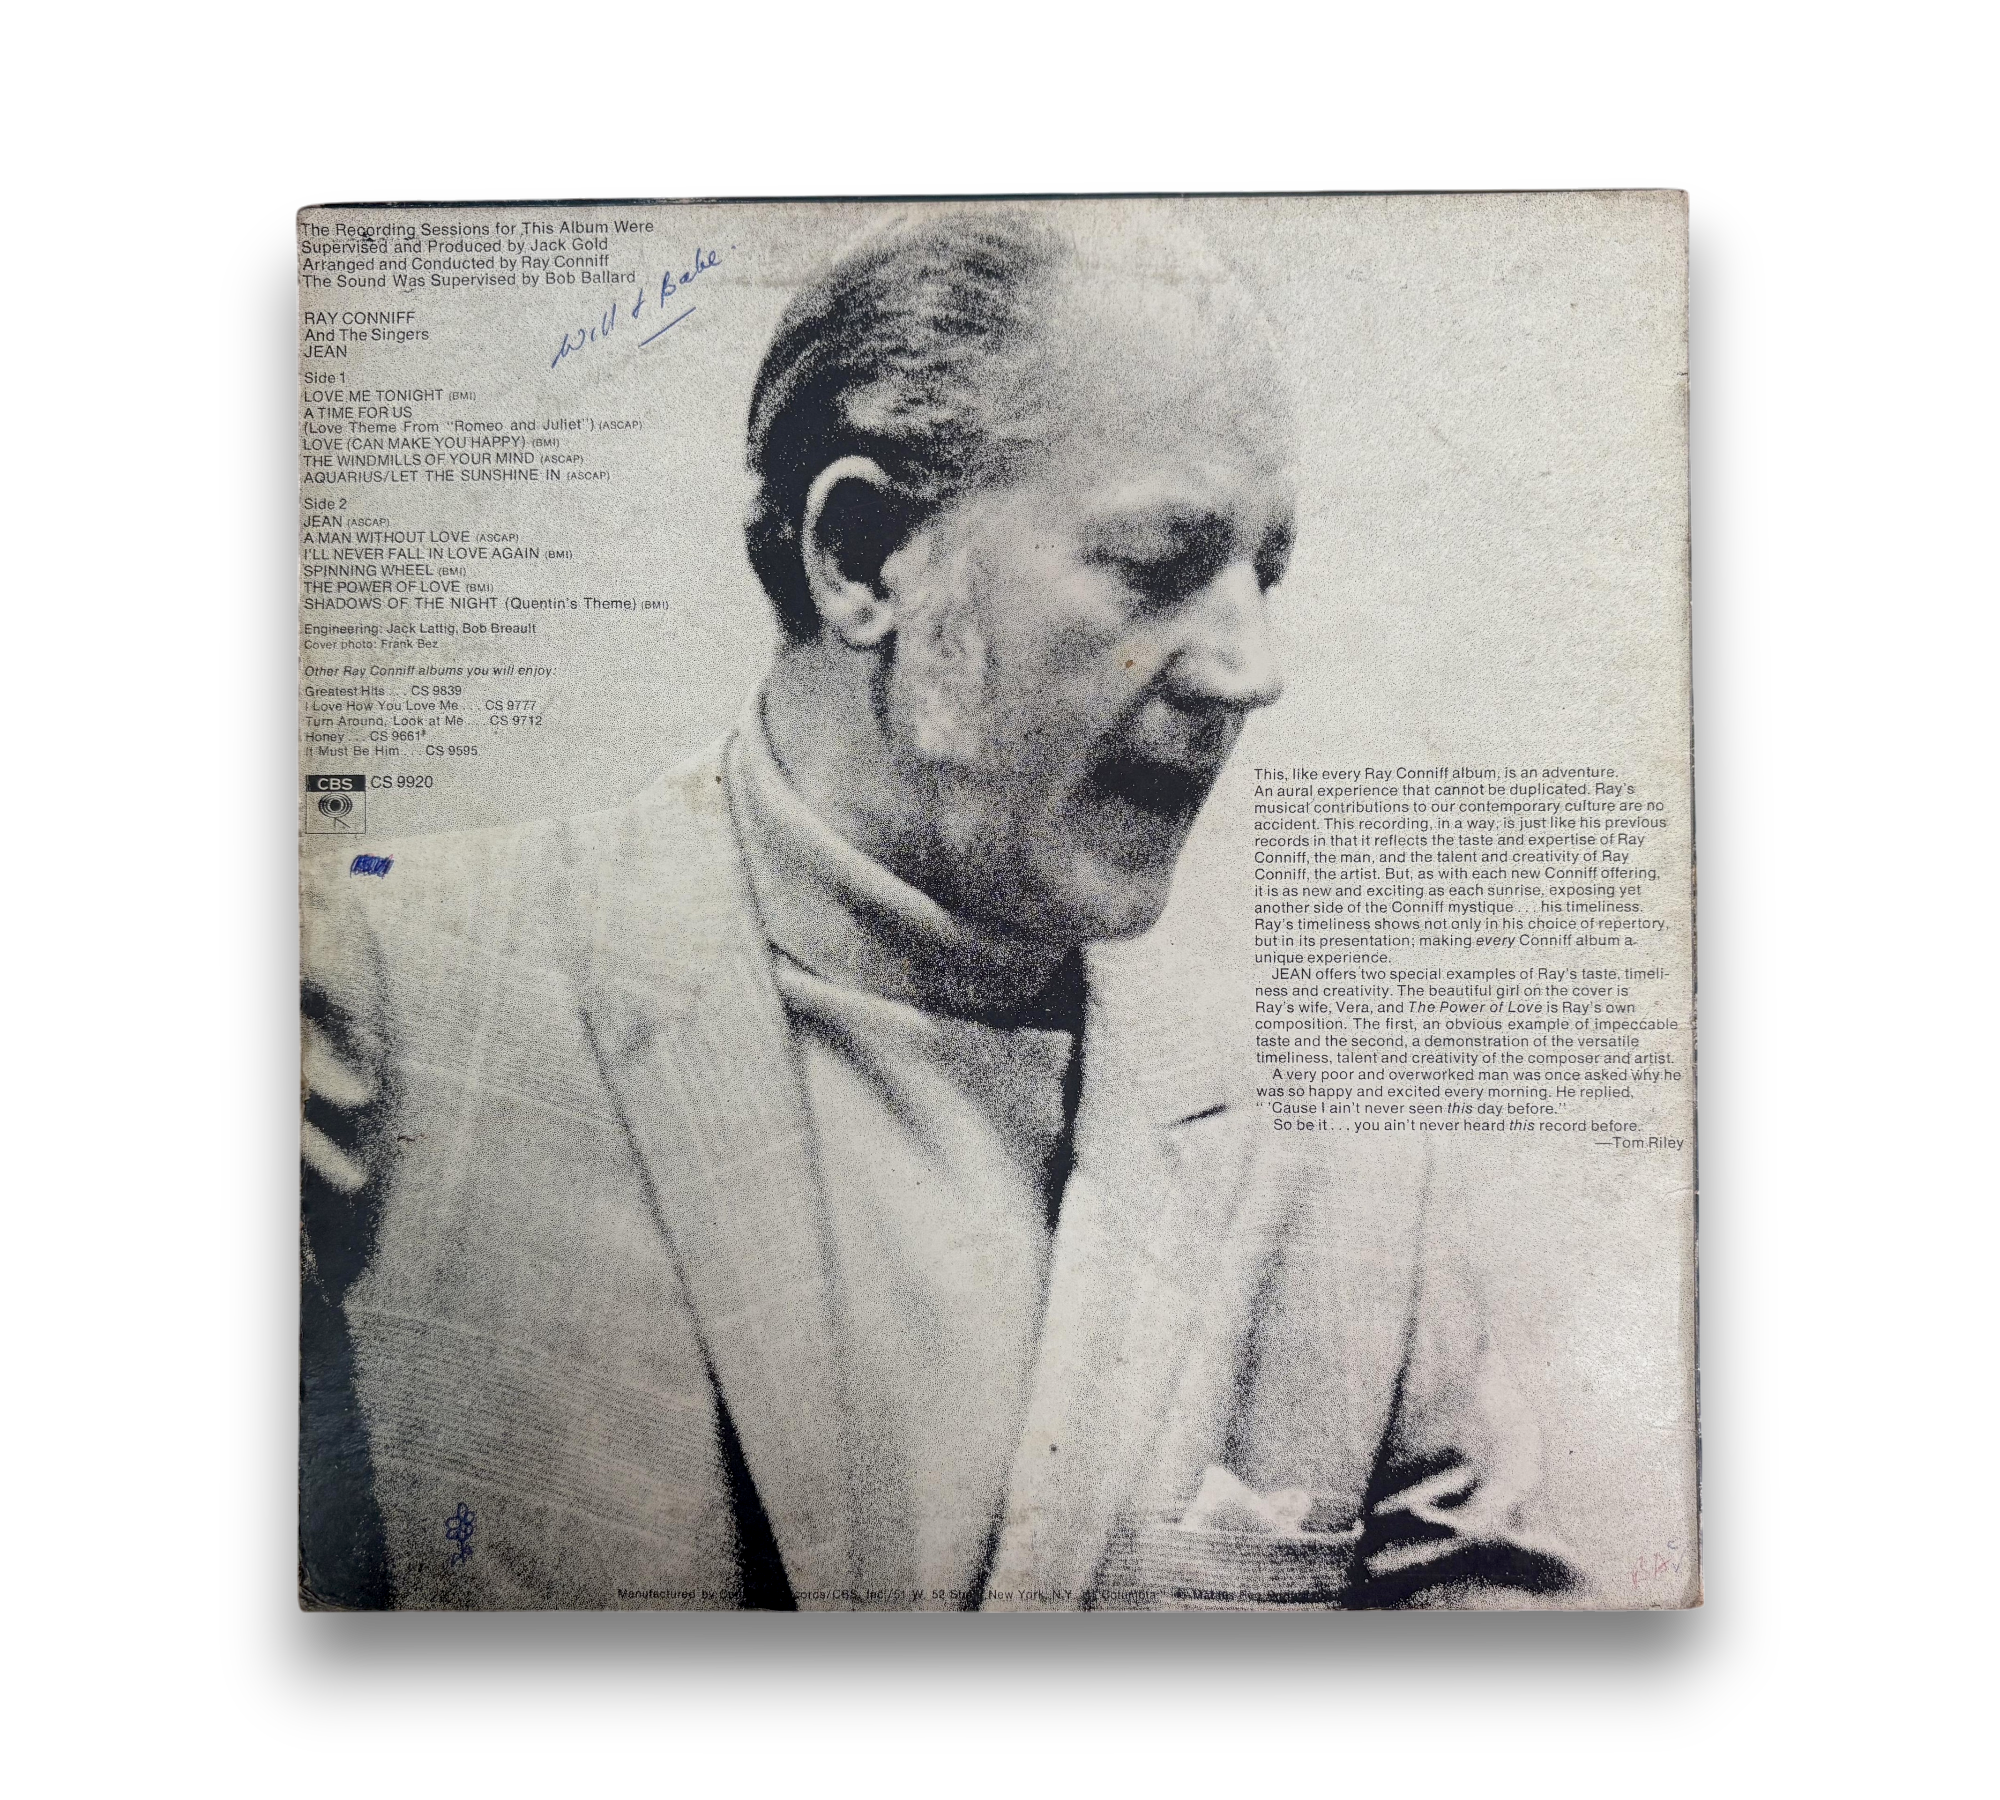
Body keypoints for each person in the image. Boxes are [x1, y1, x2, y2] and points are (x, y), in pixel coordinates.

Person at [299, 211, 1580, 1611]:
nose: (1249, 669)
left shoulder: (1347, 1162)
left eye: (1262, 575)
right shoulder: (386, 998)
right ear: (861, 557)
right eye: (1162, 562)